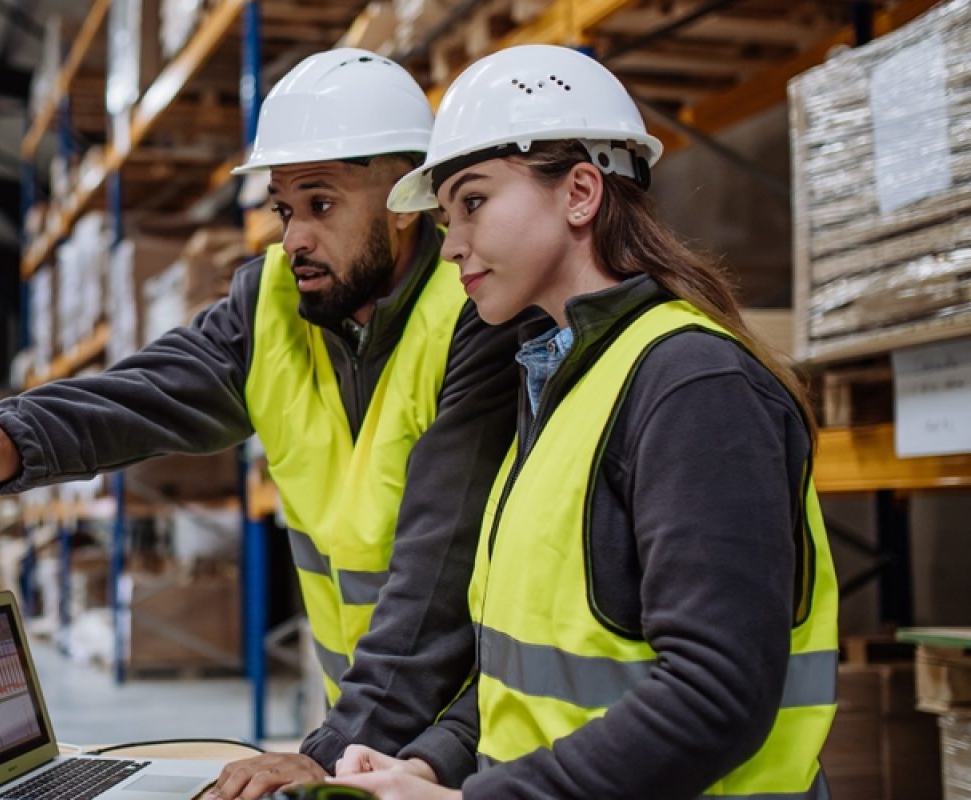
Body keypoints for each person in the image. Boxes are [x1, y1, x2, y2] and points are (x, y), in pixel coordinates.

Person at [0, 49, 528, 800]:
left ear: (403, 202)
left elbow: (435, 576)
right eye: (284, 209)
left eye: (322, 205)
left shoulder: (477, 316)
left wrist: (328, 749)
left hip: (474, 742)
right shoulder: (269, 305)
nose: (294, 237)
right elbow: (128, 400)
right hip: (367, 735)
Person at [330, 45, 839, 800]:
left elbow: (715, 696)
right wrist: (436, 758)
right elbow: (535, 669)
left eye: (472, 203)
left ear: (579, 193)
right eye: (445, 218)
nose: (452, 246)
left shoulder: (693, 385)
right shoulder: (562, 382)